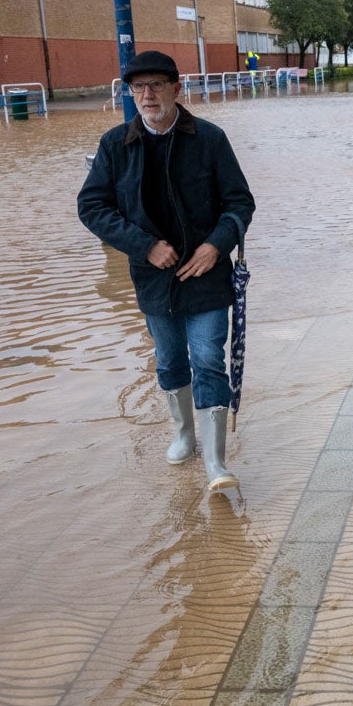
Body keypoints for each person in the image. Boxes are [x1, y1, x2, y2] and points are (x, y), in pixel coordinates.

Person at [77, 50, 255, 491]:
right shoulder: (114, 145)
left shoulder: (210, 139)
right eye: (138, 87)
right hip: (153, 279)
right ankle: (184, 434)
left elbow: (239, 202)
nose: (147, 94)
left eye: (156, 85)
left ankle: (216, 463)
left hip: (207, 276)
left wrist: (216, 246)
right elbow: (91, 206)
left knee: (209, 358)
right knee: (170, 360)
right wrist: (143, 246)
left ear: (178, 89)